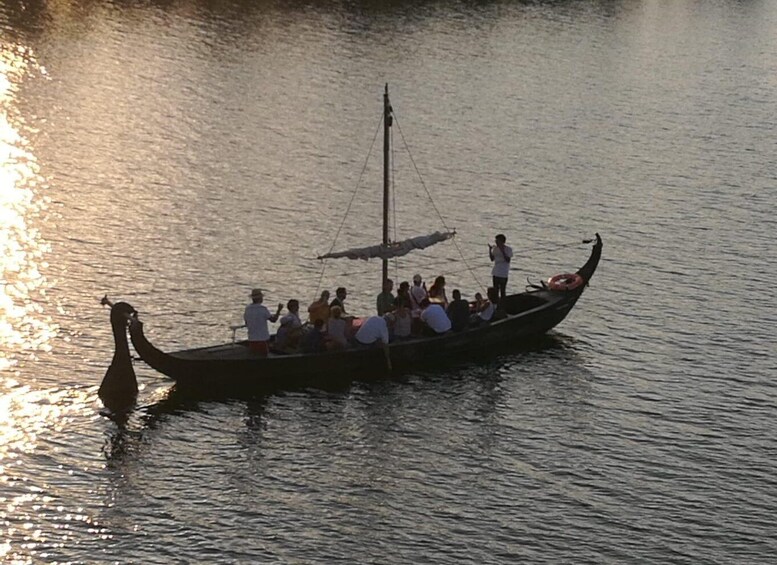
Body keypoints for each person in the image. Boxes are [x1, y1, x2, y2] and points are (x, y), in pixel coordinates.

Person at [244, 288, 282, 356]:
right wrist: (279, 310)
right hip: (262, 339)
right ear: (259, 298)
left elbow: (246, 323)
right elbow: (273, 320)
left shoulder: (247, 309)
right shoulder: (263, 309)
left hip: (252, 339)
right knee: (263, 356)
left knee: (254, 356)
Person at [489, 233, 513, 300]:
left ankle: (503, 306)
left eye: (497, 241)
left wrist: (502, 250)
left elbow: (508, 260)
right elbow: (492, 259)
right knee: (495, 291)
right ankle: (496, 305)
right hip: (495, 272)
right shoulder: (496, 249)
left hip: (503, 273)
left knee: (502, 291)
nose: (496, 243)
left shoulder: (508, 249)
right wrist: (490, 250)